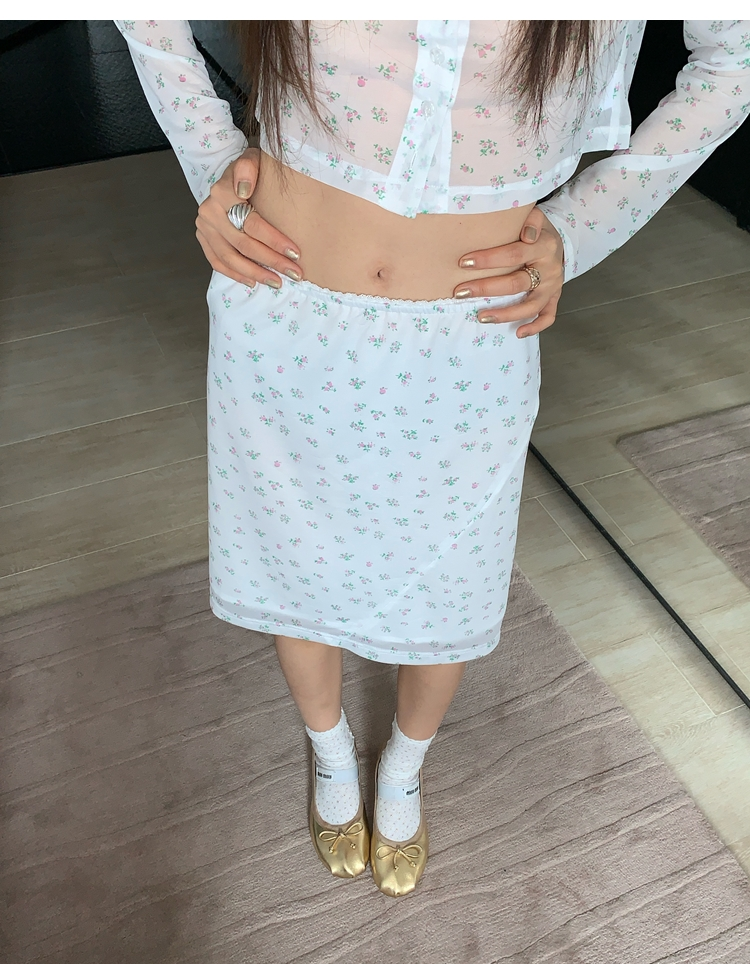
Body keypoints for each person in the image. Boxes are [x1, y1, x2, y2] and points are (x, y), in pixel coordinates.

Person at [116, 20, 749, 897]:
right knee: (296, 560)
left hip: (469, 337)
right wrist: (209, 162)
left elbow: (736, 56)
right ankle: (329, 750)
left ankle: (405, 769)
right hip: (283, 308)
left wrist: (582, 226)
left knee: (451, 576)